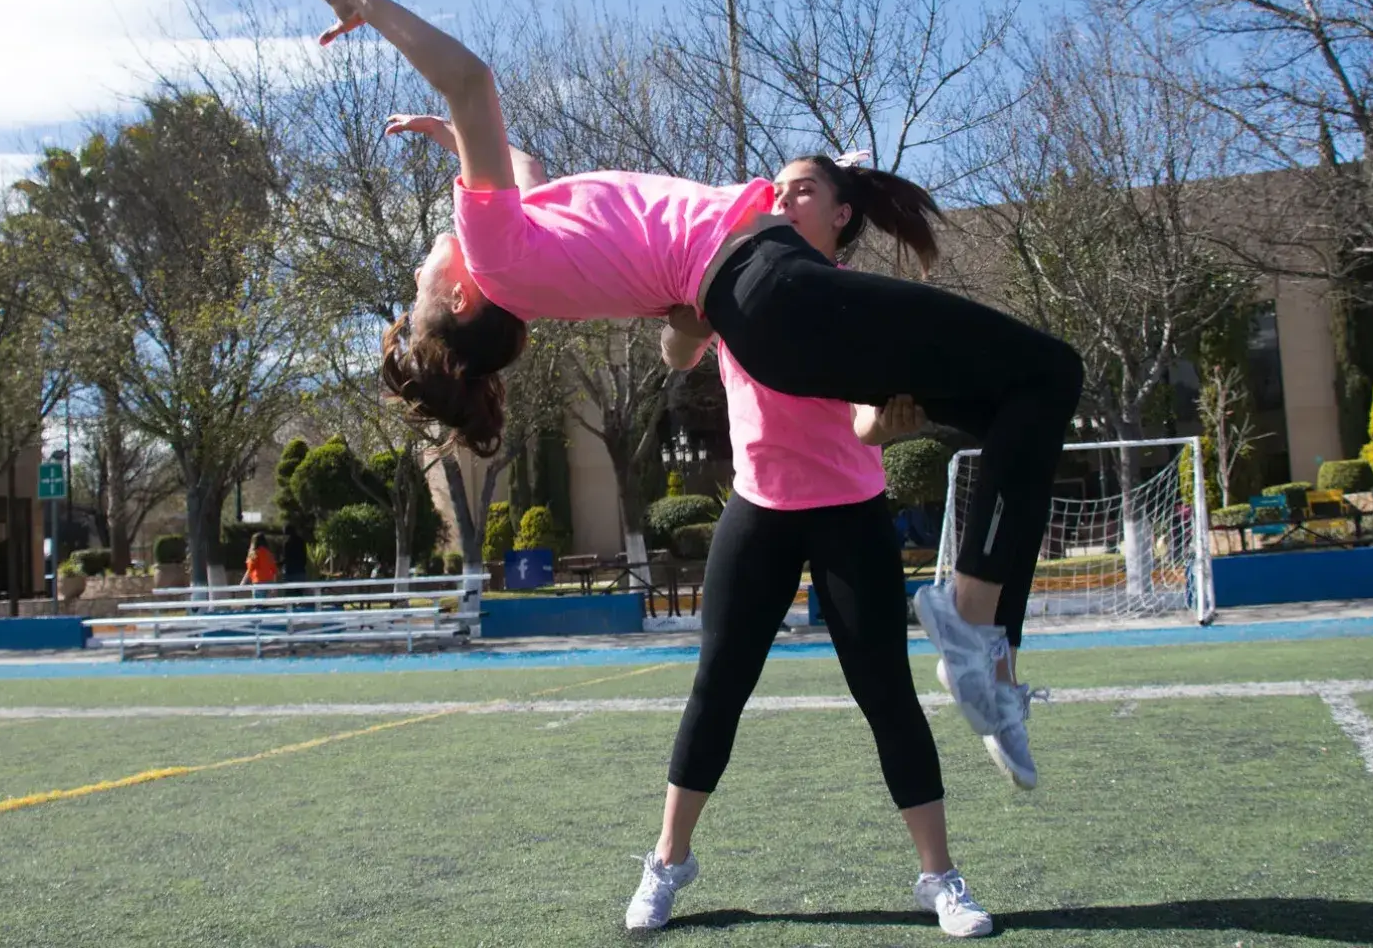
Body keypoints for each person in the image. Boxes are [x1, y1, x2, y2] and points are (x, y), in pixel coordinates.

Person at [293, 0, 1083, 791]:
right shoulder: (491, 250)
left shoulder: (524, 240)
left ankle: (989, 647)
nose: (419, 267)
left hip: (765, 307)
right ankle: (971, 629)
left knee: (1027, 399)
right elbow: (472, 79)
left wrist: (449, 136)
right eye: (420, 285)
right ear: (457, 294)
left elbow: (517, 161)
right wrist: (373, 7)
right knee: (1048, 373)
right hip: (766, 285)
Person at [389, 114, 994, 935]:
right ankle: (668, 863)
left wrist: (892, 426)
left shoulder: (846, 309)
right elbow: (677, 354)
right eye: (775, 188)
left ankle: (942, 878)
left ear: (840, 215)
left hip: (848, 513)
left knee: (885, 692)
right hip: (760, 511)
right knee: (716, 692)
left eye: (802, 190)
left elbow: (861, 425)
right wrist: (691, 311)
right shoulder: (742, 281)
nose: (780, 197)